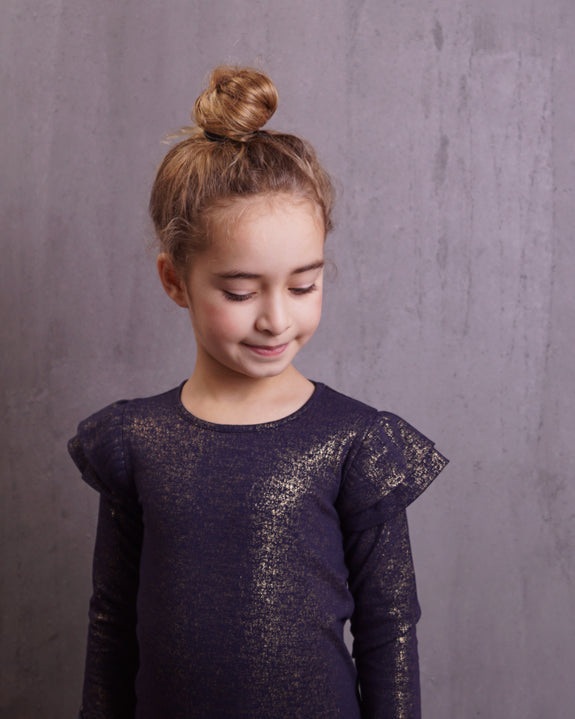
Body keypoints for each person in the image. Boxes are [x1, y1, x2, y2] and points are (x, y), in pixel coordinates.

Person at [69, 65, 448, 719]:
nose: (276, 318)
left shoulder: (356, 444)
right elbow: (111, 624)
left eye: (303, 286)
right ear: (175, 280)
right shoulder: (135, 442)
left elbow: (389, 629)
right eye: (241, 292)